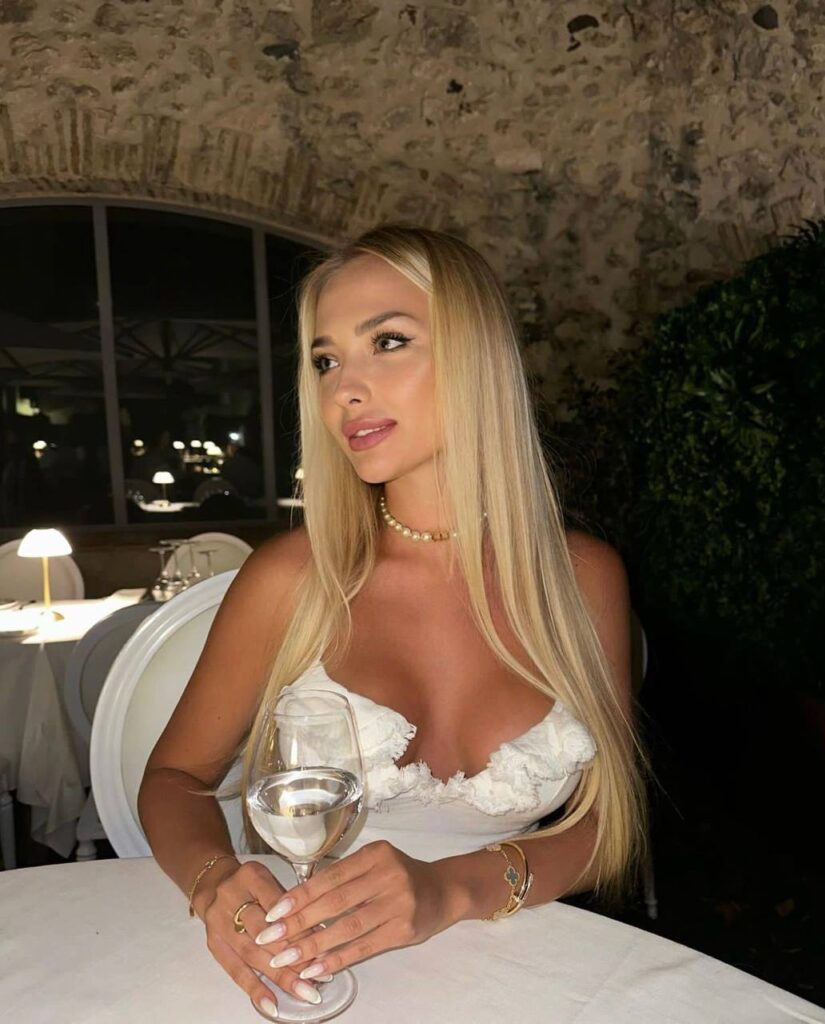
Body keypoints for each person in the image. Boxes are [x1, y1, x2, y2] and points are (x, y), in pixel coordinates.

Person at [138, 224, 648, 1015]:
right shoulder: (295, 580)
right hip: (307, 969)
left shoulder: (582, 580)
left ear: (477, 356)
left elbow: (606, 824)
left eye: (388, 341)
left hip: (519, 974)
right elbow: (173, 781)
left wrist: (451, 889)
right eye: (326, 360)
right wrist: (214, 882)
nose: (343, 388)